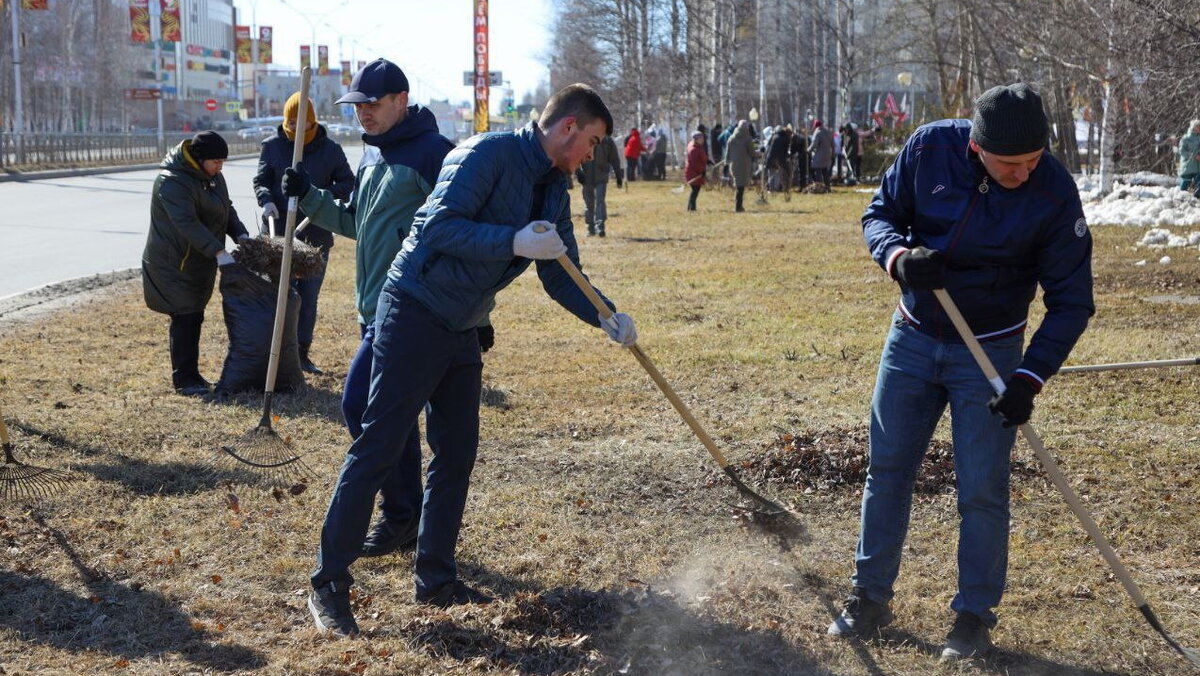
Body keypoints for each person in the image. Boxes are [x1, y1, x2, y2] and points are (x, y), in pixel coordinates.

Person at [306, 83, 638, 636]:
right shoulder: (485, 154)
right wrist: (511, 241)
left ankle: (435, 579)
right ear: (568, 128)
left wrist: (605, 314)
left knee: (456, 453)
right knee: (379, 447)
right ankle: (328, 583)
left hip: (464, 323)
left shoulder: (554, 188)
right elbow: (437, 227)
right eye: (594, 141)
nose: (592, 154)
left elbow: (560, 269)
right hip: (414, 309)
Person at [828, 83, 1094, 662]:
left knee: (981, 488)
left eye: (1031, 161)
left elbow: (1072, 300)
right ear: (976, 148)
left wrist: (1029, 378)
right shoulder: (929, 150)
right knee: (889, 468)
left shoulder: (1052, 190)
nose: (1022, 173)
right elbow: (880, 214)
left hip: (992, 354)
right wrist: (898, 256)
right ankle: (868, 597)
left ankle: (973, 616)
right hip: (914, 340)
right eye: (1009, 164)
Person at [282, 58, 455, 559]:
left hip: (412, 309)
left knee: (361, 405)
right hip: (372, 307)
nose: (363, 115)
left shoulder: (434, 155)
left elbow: (456, 238)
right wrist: (310, 197)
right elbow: (356, 223)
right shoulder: (372, 157)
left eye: (372, 105)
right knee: (384, 414)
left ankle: (402, 513)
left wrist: (476, 317)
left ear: (401, 100)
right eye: (357, 106)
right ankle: (405, 514)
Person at [253, 92, 355, 375]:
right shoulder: (272, 146)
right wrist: (266, 201)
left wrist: (319, 200)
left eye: (304, 127)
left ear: (313, 123)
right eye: (291, 125)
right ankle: (274, 356)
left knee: (307, 297)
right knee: (278, 295)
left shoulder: (330, 150)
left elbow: (347, 183)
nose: (297, 132)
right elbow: (261, 180)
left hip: (315, 234)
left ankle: (301, 355)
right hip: (277, 233)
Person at [141, 131, 249, 396]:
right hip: (173, 263)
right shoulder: (172, 182)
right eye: (215, 162)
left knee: (194, 315)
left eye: (223, 162)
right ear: (198, 159)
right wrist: (218, 251)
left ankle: (192, 375)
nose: (220, 167)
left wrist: (241, 233)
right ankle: (185, 380)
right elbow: (187, 223)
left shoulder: (211, 177)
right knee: (185, 316)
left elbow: (226, 208)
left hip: (197, 260)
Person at [575, 131, 622, 236]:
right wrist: (578, 172)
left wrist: (618, 175)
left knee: (600, 201)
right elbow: (576, 155)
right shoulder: (583, 137)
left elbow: (614, 158)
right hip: (586, 176)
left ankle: (600, 227)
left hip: (601, 175)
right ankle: (590, 227)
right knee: (589, 203)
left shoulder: (607, 140)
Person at [725, 119, 754, 212]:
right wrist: (759, 154)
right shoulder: (747, 139)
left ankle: (739, 206)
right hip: (744, 165)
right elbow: (752, 152)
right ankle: (738, 207)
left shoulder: (731, 138)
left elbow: (727, 152)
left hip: (733, 165)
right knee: (740, 187)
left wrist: (727, 162)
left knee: (738, 185)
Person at [683, 130, 708, 211]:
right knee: (695, 191)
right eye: (701, 138)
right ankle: (691, 209)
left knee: (695, 191)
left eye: (703, 138)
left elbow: (702, 157)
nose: (703, 140)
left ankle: (691, 208)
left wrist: (708, 160)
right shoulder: (694, 149)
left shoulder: (698, 147)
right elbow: (695, 163)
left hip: (695, 172)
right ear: (696, 139)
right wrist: (701, 172)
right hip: (693, 173)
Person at [765, 124, 793, 193]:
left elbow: (769, 147)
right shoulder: (785, 139)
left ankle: (770, 188)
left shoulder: (774, 136)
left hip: (770, 157)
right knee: (777, 174)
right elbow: (784, 151)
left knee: (771, 173)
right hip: (778, 159)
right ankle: (776, 188)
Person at [810, 119, 834, 188]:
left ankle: (819, 186)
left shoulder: (818, 132)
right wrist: (833, 154)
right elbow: (833, 144)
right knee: (825, 170)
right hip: (827, 155)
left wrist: (808, 150)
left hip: (819, 154)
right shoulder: (828, 132)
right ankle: (827, 186)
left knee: (817, 169)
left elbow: (814, 144)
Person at [1178, 119, 1200, 194]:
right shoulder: (1186, 138)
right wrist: (1194, 156)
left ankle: (1196, 199)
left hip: (1198, 166)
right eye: (1199, 126)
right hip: (1188, 165)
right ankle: (1181, 197)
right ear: (1194, 127)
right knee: (1185, 183)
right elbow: (1182, 151)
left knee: (1198, 184)